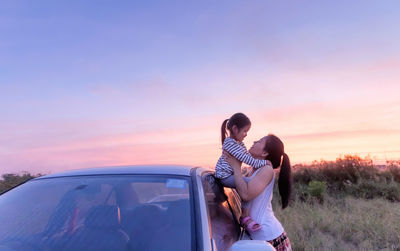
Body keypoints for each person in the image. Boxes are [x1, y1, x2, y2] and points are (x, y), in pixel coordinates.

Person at [224, 134, 292, 251]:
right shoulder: (253, 169)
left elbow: (246, 195)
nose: (255, 141)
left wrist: (236, 166)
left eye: (260, 141)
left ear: (264, 153)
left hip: (267, 238)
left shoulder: (267, 170)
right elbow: (238, 186)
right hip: (255, 235)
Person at [215, 112, 268, 232]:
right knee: (247, 183)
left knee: (247, 182)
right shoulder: (229, 143)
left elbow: (248, 156)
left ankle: (245, 215)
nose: (246, 135)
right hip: (224, 176)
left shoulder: (240, 144)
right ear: (234, 129)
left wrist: (260, 162)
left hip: (231, 174)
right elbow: (245, 158)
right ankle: (245, 216)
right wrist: (264, 163)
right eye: (244, 131)